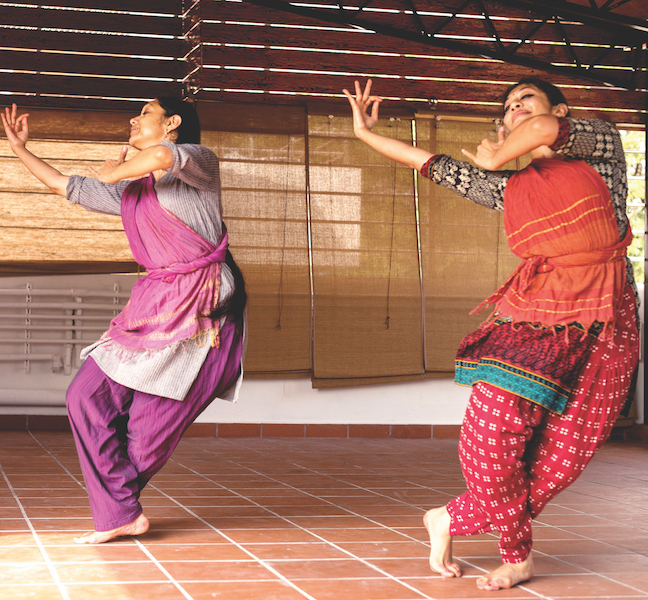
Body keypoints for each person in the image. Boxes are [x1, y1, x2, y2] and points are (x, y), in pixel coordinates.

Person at [344, 78, 640, 590]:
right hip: (533, 312)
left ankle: (451, 520)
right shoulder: (508, 185)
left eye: (525, 99)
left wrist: (498, 155)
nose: (516, 109)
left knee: (562, 459)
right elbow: (429, 164)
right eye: (508, 107)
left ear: (559, 108)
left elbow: (546, 130)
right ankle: (514, 551)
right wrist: (366, 134)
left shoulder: (601, 149)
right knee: (491, 434)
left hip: (607, 319)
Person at [2, 98, 246, 544]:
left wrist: (115, 170)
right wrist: (19, 148)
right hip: (149, 310)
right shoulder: (132, 193)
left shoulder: (200, 165)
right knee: (84, 395)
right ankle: (121, 510)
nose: (133, 120)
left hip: (201, 316)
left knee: (147, 433)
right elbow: (63, 185)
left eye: (145, 114)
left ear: (172, 123)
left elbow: (162, 157)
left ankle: (118, 512)